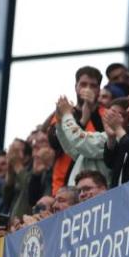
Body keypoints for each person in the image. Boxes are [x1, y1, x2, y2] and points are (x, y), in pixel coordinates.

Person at [48, 66, 106, 194]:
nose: (87, 89)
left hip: (94, 185)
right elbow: (55, 142)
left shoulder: (105, 113)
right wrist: (83, 121)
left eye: (93, 86)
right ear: (76, 87)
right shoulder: (66, 112)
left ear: (99, 90)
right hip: (63, 184)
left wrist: (93, 112)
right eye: (83, 84)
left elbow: (105, 143)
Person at [53, 95, 113, 185]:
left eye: (116, 113)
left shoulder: (111, 140)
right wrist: (60, 120)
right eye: (109, 112)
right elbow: (70, 146)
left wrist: (67, 115)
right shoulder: (95, 140)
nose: (108, 115)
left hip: (97, 195)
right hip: (80, 194)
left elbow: (78, 139)